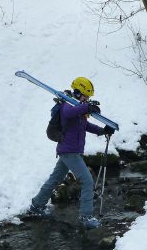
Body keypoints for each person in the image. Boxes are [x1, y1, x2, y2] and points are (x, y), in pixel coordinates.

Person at [30, 77, 115, 229]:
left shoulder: (78, 108)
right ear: (76, 92)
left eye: (88, 98)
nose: (86, 99)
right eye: (84, 96)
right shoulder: (67, 104)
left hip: (69, 151)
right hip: (69, 151)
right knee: (87, 180)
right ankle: (86, 217)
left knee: (54, 180)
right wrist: (87, 107)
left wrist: (103, 130)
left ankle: (37, 205)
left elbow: (86, 125)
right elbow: (70, 113)